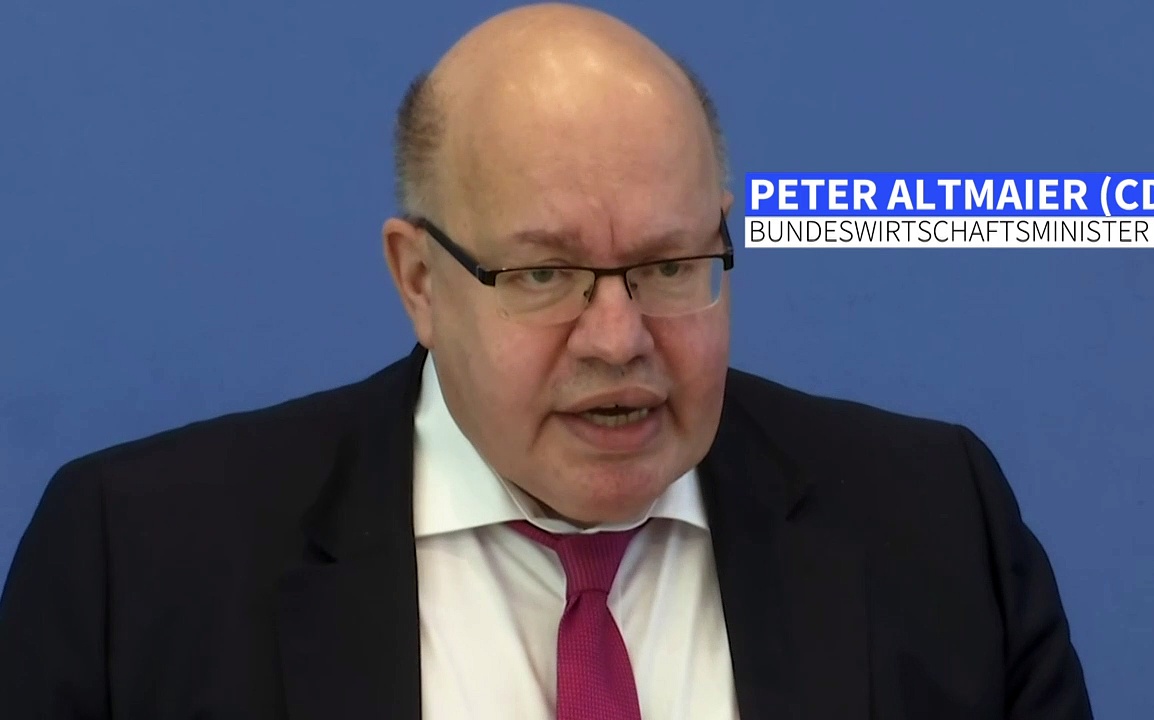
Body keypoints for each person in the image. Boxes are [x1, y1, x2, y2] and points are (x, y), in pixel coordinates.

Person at [0, 3, 1093, 718]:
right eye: (544, 274)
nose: (617, 338)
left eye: (669, 265)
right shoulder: (137, 567)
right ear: (419, 280)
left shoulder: (933, 527)